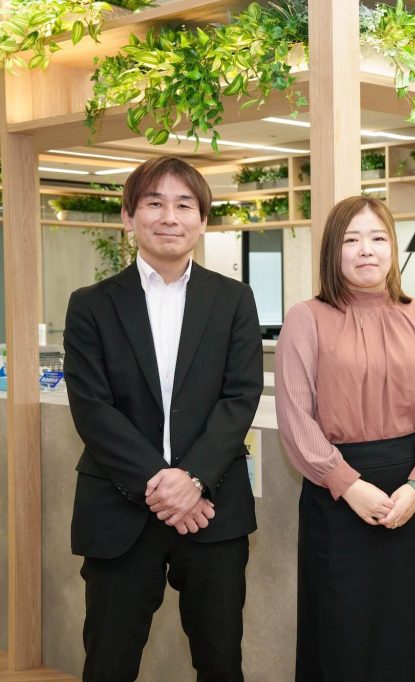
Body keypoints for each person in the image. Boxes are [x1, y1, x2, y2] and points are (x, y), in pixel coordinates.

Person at [63, 156, 263, 681]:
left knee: (221, 662)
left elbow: (240, 396)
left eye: (184, 205)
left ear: (202, 220)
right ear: (128, 217)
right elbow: (91, 407)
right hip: (119, 509)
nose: (169, 217)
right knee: (109, 662)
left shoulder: (234, 300)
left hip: (212, 509)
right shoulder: (90, 305)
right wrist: (163, 485)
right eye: (154, 203)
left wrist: (193, 479)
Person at [274, 195, 415, 681]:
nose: (366, 250)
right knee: (341, 634)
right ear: (332, 251)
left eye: (378, 238)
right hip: (336, 497)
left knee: (412, 631)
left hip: (411, 493)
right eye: (352, 239)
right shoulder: (306, 318)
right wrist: (347, 484)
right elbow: (295, 419)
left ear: (393, 248)